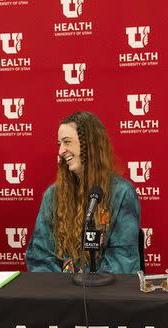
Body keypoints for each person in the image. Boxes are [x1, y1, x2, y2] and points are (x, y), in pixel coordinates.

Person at [26, 111, 141, 273]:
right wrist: (63, 288)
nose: (61, 151)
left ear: (89, 144)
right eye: (59, 144)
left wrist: (86, 282)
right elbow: (39, 257)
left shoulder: (122, 193)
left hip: (104, 293)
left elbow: (123, 260)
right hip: (60, 293)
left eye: (67, 142)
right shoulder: (52, 195)